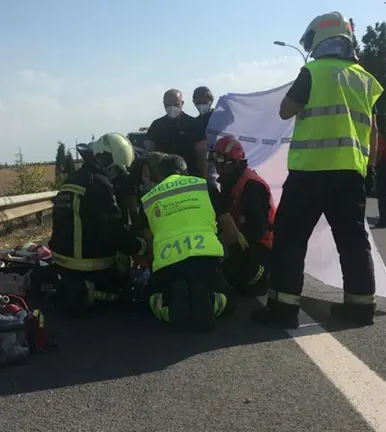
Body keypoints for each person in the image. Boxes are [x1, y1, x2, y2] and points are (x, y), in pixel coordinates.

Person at [251, 11, 383, 329]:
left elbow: (286, 111)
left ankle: (283, 310)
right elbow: (374, 130)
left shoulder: (312, 71)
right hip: (351, 172)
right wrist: (369, 168)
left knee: (290, 239)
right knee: (353, 241)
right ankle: (360, 307)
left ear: (320, 39)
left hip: (310, 173)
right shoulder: (365, 78)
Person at [137, 153, 249, 333]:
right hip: (206, 263)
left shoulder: (148, 199)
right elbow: (232, 233)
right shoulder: (206, 187)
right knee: (228, 300)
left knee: (150, 298)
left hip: (169, 267)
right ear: (186, 172)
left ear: (158, 176)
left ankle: (170, 307)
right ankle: (212, 302)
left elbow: (149, 247)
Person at [49, 133, 147, 317]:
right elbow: (114, 231)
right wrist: (141, 246)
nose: (116, 176)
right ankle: (88, 291)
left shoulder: (74, 179)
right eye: (116, 171)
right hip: (86, 265)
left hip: (61, 260)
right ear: (106, 159)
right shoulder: (99, 184)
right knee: (125, 287)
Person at [210, 136, 276, 296]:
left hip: (261, 246)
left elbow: (258, 228)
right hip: (239, 240)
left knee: (232, 272)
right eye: (216, 164)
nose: (217, 169)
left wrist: (228, 240)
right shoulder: (230, 181)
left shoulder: (251, 186)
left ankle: (262, 278)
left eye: (221, 164)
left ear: (234, 163)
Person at [145, 89, 209, 178]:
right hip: (162, 180)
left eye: (176, 104)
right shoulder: (156, 126)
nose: (172, 108)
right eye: (168, 105)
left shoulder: (194, 125)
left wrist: (203, 179)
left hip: (189, 177)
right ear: (164, 104)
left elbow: (202, 155)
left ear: (182, 103)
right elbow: (150, 155)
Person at [192, 86, 221, 188]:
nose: (201, 105)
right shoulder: (194, 122)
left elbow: (233, 116)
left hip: (216, 161)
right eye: (198, 102)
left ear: (211, 101)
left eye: (204, 101)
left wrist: (225, 103)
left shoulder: (218, 117)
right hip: (200, 161)